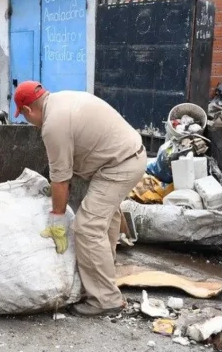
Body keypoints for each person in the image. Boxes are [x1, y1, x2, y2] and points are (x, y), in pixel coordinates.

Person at [13, 81, 146, 318]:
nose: (30, 124)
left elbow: (61, 179)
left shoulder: (53, 125)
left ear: (27, 110)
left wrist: (57, 218)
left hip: (119, 165)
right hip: (128, 156)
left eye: (25, 118)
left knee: (87, 227)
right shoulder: (63, 99)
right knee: (106, 218)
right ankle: (104, 279)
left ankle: (105, 299)